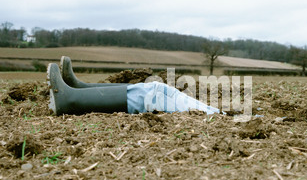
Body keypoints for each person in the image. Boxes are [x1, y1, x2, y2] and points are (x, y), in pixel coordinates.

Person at [47, 57, 221, 116]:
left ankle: (69, 100)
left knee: (155, 93)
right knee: (158, 89)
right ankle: (79, 88)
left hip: (212, 117)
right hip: (214, 114)